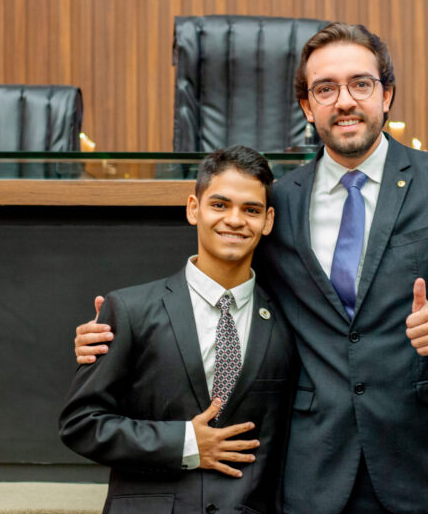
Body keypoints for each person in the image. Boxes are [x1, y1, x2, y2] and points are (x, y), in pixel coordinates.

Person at [75, 22, 428, 514]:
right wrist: (119, 330)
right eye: (325, 88)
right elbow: (225, 293)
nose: (343, 100)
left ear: (386, 95)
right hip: (316, 467)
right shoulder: (276, 203)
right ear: (308, 107)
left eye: (360, 84)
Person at [60, 146, 297, 514]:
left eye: (250, 210)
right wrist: (186, 443)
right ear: (193, 209)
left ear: (267, 221)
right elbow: (81, 424)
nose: (235, 220)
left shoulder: (288, 321)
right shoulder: (130, 310)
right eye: (220, 205)